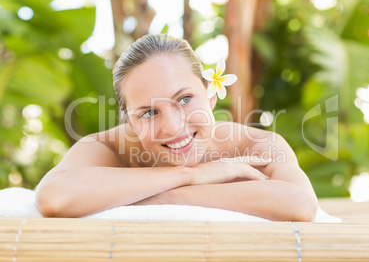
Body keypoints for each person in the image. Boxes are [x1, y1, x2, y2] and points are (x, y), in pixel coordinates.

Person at [35, 34, 318, 221]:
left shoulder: (253, 146)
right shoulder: (108, 148)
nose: (172, 127)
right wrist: (191, 174)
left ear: (210, 94)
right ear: (129, 121)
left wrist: (163, 194)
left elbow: (300, 204)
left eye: (184, 99)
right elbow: (54, 197)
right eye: (147, 112)